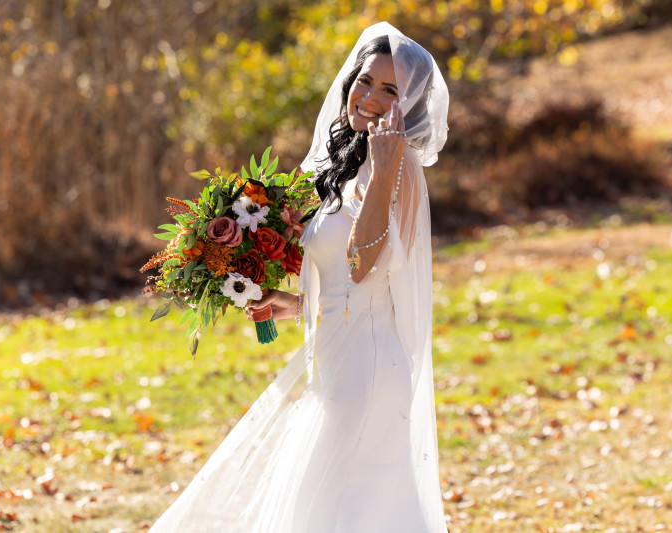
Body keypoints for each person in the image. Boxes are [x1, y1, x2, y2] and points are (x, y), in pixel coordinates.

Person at [148, 22, 449, 532]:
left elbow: (365, 264)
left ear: (410, 104)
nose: (369, 97)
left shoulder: (399, 170)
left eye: (390, 91)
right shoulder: (353, 163)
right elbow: (344, 283)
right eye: (365, 80)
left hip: (369, 371)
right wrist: (289, 303)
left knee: (335, 510)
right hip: (334, 357)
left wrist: (384, 166)